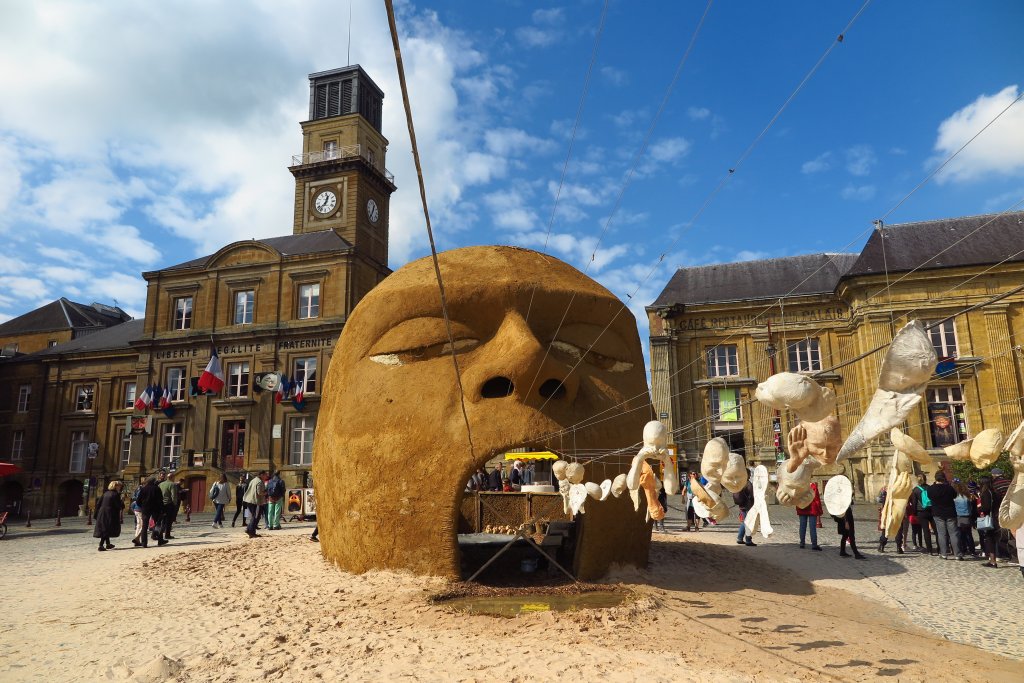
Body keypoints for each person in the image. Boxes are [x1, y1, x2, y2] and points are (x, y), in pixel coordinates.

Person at [928, 471, 960, 559]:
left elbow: (930, 497)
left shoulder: (931, 489)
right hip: (950, 513)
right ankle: (957, 554)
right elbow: (954, 495)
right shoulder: (949, 488)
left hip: (938, 513)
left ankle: (944, 554)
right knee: (953, 534)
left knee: (941, 534)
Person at [976, 475, 1002, 568]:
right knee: (993, 538)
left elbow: (986, 507)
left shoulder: (986, 493)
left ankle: (993, 561)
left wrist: (979, 508)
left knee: (989, 539)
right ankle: (993, 559)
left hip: (990, 518)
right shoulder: (995, 492)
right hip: (996, 516)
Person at [136, 477, 168, 547]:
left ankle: (144, 543)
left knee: (145, 525)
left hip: (145, 508)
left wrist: (142, 506)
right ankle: (160, 540)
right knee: (158, 524)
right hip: (155, 508)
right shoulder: (157, 489)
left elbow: (138, 501)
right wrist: (162, 509)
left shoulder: (143, 489)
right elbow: (160, 500)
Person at [94, 481, 124, 551]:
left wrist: (96, 513)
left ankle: (108, 544)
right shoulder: (115, 494)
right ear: (115, 486)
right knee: (106, 529)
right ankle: (101, 545)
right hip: (110, 513)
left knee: (105, 527)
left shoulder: (105, 493)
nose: (120, 487)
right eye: (119, 486)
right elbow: (118, 505)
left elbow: (98, 503)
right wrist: (122, 501)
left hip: (102, 512)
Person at [908, 474, 934, 555]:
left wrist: (914, 513)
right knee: (936, 530)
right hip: (931, 510)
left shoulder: (916, 490)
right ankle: (941, 548)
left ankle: (929, 550)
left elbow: (914, 503)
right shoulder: (930, 488)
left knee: (926, 531)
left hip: (921, 511)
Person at [953, 481, 978, 557]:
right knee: (969, 534)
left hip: (959, 516)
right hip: (967, 516)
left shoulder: (955, 498)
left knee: (960, 535)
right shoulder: (967, 497)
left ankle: (963, 549)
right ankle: (972, 550)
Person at [797, 482, 823, 550]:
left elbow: (797, 497)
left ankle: (802, 543)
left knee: (802, 526)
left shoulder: (800, 485)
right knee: (812, 528)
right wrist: (819, 510)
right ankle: (814, 545)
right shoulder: (813, 486)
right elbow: (816, 499)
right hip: (812, 509)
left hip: (802, 508)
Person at [243, 470, 268, 538]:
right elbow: (259, 492)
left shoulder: (253, 480)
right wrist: (266, 493)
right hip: (255, 501)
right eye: (265, 475)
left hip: (249, 500)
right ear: (262, 475)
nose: (266, 476)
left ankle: (250, 530)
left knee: (254, 516)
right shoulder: (259, 482)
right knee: (256, 516)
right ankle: (250, 530)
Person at [733, 478, 756, 546]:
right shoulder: (748, 484)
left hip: (741, 505)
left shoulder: (738, 483)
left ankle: (740, 538)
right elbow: (752, 495)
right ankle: (748, 540)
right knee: (748, 523)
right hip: (748, 506)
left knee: (744, 522)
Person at [158, 472, 179, 540]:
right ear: (172, 477)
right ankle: (167, 534)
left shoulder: (160, 484)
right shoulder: (172, 484)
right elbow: (173, 496)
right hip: (169, 504)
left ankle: (158, 534)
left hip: (161, 504)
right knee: (169, 520)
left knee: (161, 520)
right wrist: (175, 504)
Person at [129, 481, 145, 546]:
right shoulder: (142, 491)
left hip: (136, 509)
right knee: (143, 525)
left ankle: (137, 539)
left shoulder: (137, 491)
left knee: (139, 525)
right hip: (140, 509)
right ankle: (137, 538)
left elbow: (134, 499)